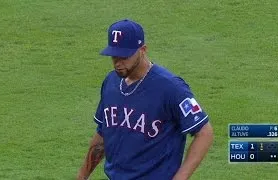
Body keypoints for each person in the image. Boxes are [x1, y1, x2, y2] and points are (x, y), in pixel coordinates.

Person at [77, 19, 214, 180]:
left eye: (124, 56)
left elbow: (205, 132)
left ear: (143, 49)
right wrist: (82, 176)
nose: (118, 63)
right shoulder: (111, 82)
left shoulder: (171, 87)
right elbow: (102, 135)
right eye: (114, 56)